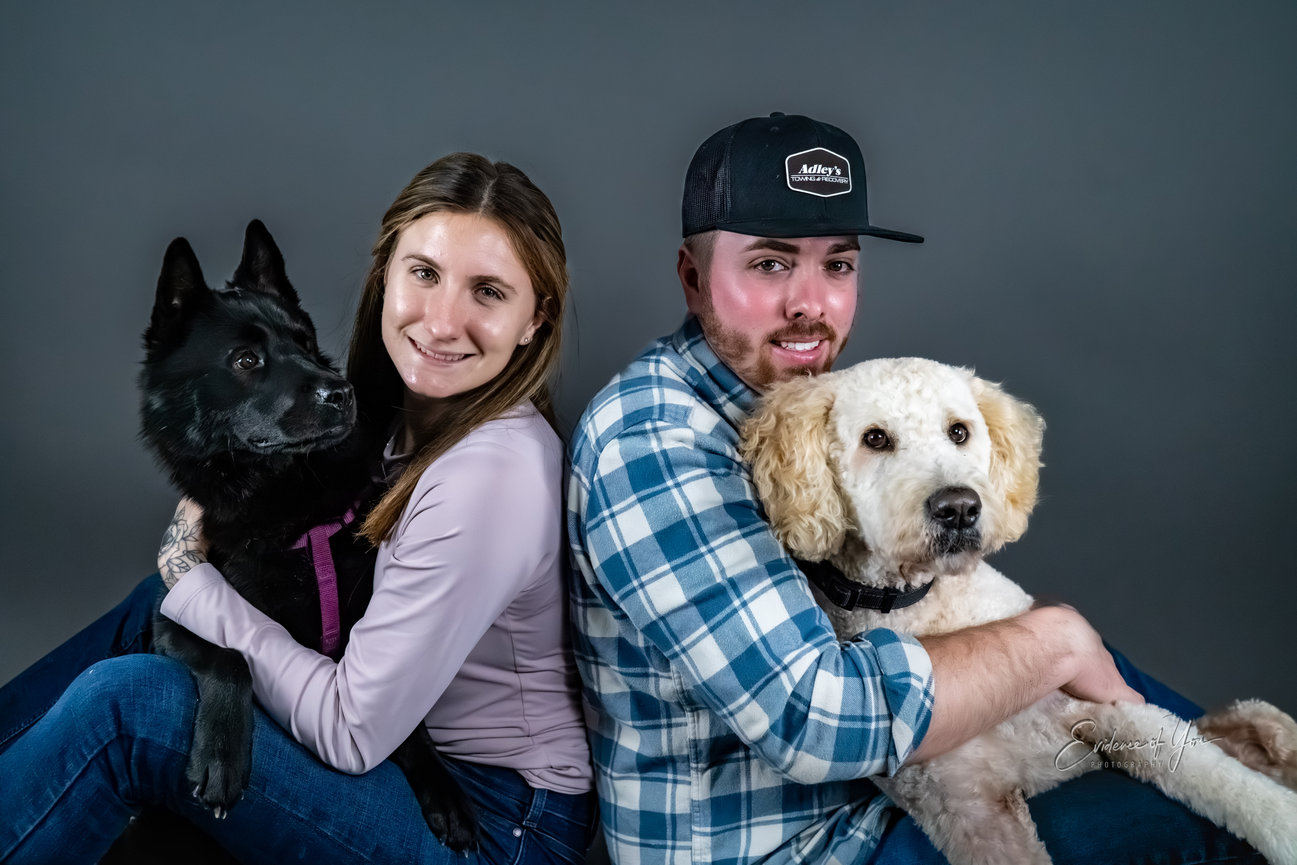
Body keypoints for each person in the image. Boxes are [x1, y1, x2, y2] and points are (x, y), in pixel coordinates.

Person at [564, 113, 1262, 864]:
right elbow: (813, 720)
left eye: (836, 264)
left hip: (888, 789)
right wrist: (1048, 640)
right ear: (692, 276)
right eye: (769, 264)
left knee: (1206, 751)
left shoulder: (804, 408)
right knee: (1205, 814)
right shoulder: (655, 441)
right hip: (802, 844)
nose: (811, 303)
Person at [0, 152, 596, 864]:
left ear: (536, 319)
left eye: (489, 291)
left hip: (497, 825)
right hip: (412, 765)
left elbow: (350, 729)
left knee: (131, 701)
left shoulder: (490, 475)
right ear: (385, 275)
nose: (442, 320)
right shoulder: (393, 416)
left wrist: (191, 575)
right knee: (150, 609)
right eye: (425, 274)